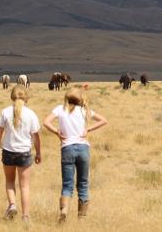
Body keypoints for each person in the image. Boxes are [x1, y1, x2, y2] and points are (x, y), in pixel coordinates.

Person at [43, 85, 107, 222]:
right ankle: (82, 218)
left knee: (67, 184)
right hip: (83, 148)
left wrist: (57, 132)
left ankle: (64, 211)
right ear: (80, 98)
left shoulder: (60, 109)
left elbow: (46, 122)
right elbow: (103, 120)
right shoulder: (84, 110)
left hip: (67, 148)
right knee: (83, 183)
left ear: (67, 97)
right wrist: (88, 130)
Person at [0, 85, 41, 223]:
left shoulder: (5, 112)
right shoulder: (31, 114)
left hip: (8, 152)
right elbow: (36, 137)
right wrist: (38, 153)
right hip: (24, 152)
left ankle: (12, 205)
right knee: (24, 186)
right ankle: (26, 216)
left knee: (9, 181)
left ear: (12, 97)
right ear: (26, 97)